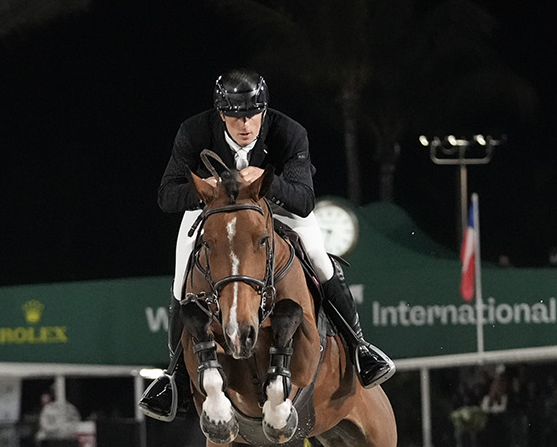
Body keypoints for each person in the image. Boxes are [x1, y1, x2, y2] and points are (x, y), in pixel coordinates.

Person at [140, 70, 393, 421]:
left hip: (277, 208)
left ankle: (360, 348)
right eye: (235, 116)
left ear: (264, 110)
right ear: (220, 113)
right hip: (215, 212)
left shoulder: (288, 132)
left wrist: (264, 182)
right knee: (182, 278)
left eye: (252, 114)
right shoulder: (194, 131)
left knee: (320, 259)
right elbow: (167, 196)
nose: (245, 124)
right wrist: (211, 188)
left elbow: (303, 201)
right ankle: (176, 376)